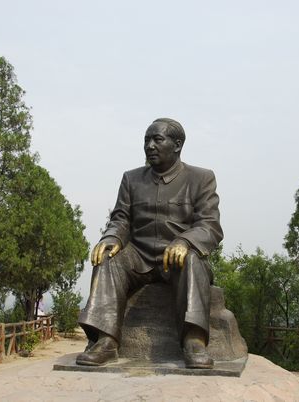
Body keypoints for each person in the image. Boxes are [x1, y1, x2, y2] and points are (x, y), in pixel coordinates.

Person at [77, 118, 223, 369]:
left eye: (157, 139)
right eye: (146, 140)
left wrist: (185, 241)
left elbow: (210, 224)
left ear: (177, 145)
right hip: (138, 256)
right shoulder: (131, 179)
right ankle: (106, 342)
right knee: (108, 257)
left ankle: (194, 341)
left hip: (177, 258)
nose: (150, 146)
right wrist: (111, 237)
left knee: (191, 259)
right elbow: (121, 219)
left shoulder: (201, 178)